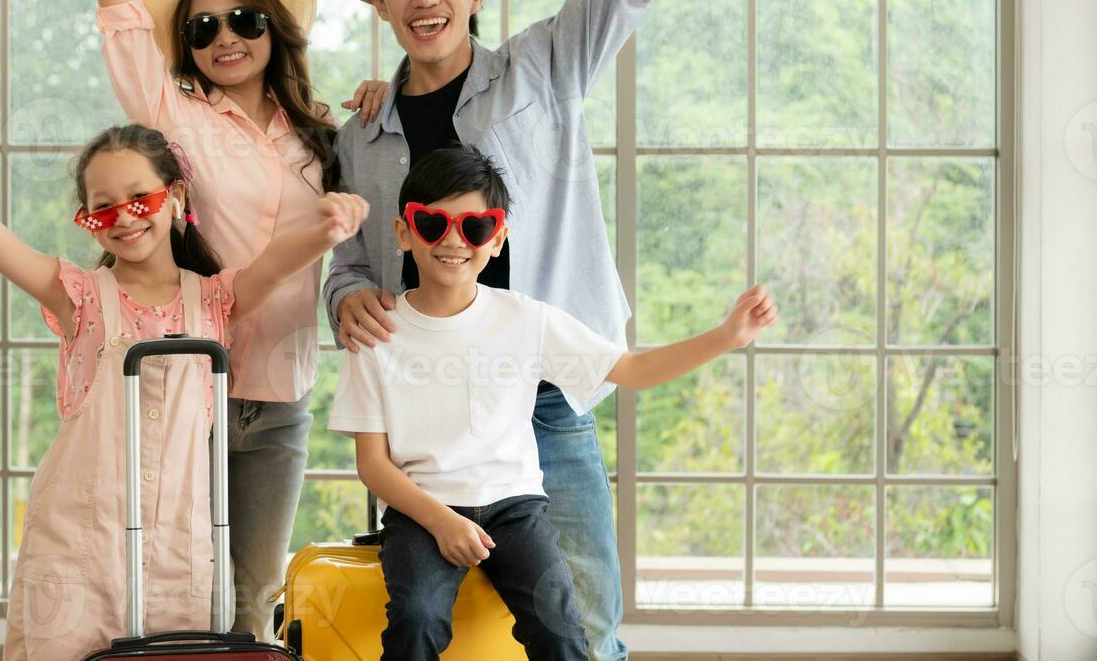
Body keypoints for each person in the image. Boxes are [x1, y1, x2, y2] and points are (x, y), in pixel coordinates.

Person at [323, 0, 802, 658]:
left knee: (582, 622)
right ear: (382, 6)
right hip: (424, 427)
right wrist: (345, 295)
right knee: (429, 626)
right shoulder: (362, 132)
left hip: (545, 396)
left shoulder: (544, 66)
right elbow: (350, 256)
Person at [0, 69, 368, 660]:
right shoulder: (77, 295)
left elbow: (276, 262)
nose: (124, 217)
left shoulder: (215, 299)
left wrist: (326, 228)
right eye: (103, 209)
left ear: (175, 199)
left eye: (140, 199)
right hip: (78, 544)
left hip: (179, 547)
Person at [37, 0, 386, 637]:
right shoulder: (174, 118)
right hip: (182, 388)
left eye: (244, 19)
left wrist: (389, 96)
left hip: (281, 402)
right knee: (169, 589)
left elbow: (386, 203)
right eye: (202, 27)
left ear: (277, 28)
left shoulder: (327, 135)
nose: (225, 37)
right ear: (185, 46)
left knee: (253, 599)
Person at [330, 146, 776, 660]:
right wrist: (441, 522)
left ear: (497, 240)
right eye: (433, 223)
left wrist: (725, 337)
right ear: (404, 231)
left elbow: (630, 370)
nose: (453, 240)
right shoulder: (375, 333)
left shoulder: (526, 320)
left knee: (562, 626)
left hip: (516, 510)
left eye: (475, 227)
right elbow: (372, 464)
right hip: (421, 512)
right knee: (417, 618)